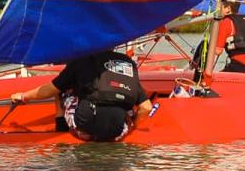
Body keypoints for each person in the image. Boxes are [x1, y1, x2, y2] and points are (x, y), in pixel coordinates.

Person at [10, 50, 152, 142]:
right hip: (117, 133)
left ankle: (62, 129)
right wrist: (134, 128)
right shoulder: (127, 64)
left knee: (62, 90)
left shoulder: (81, 60)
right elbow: (146, 107)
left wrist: (23, 96)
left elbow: (50, 90)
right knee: (123, 104)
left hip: (84, 130)